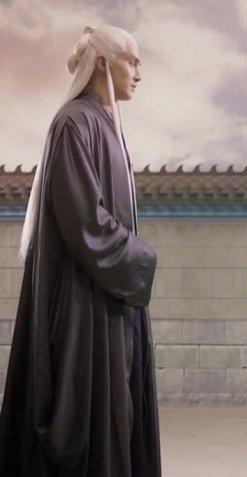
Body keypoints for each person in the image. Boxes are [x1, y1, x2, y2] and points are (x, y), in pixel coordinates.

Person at [0, 25, 161, 476]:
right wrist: (140, 258)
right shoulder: (74, 123)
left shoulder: (106, 124)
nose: (139, 74)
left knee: (119, 412)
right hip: (82, 303)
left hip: (110, 296)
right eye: (132, 62)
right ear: (104, 62)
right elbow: (84, 220)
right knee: (83, 421)